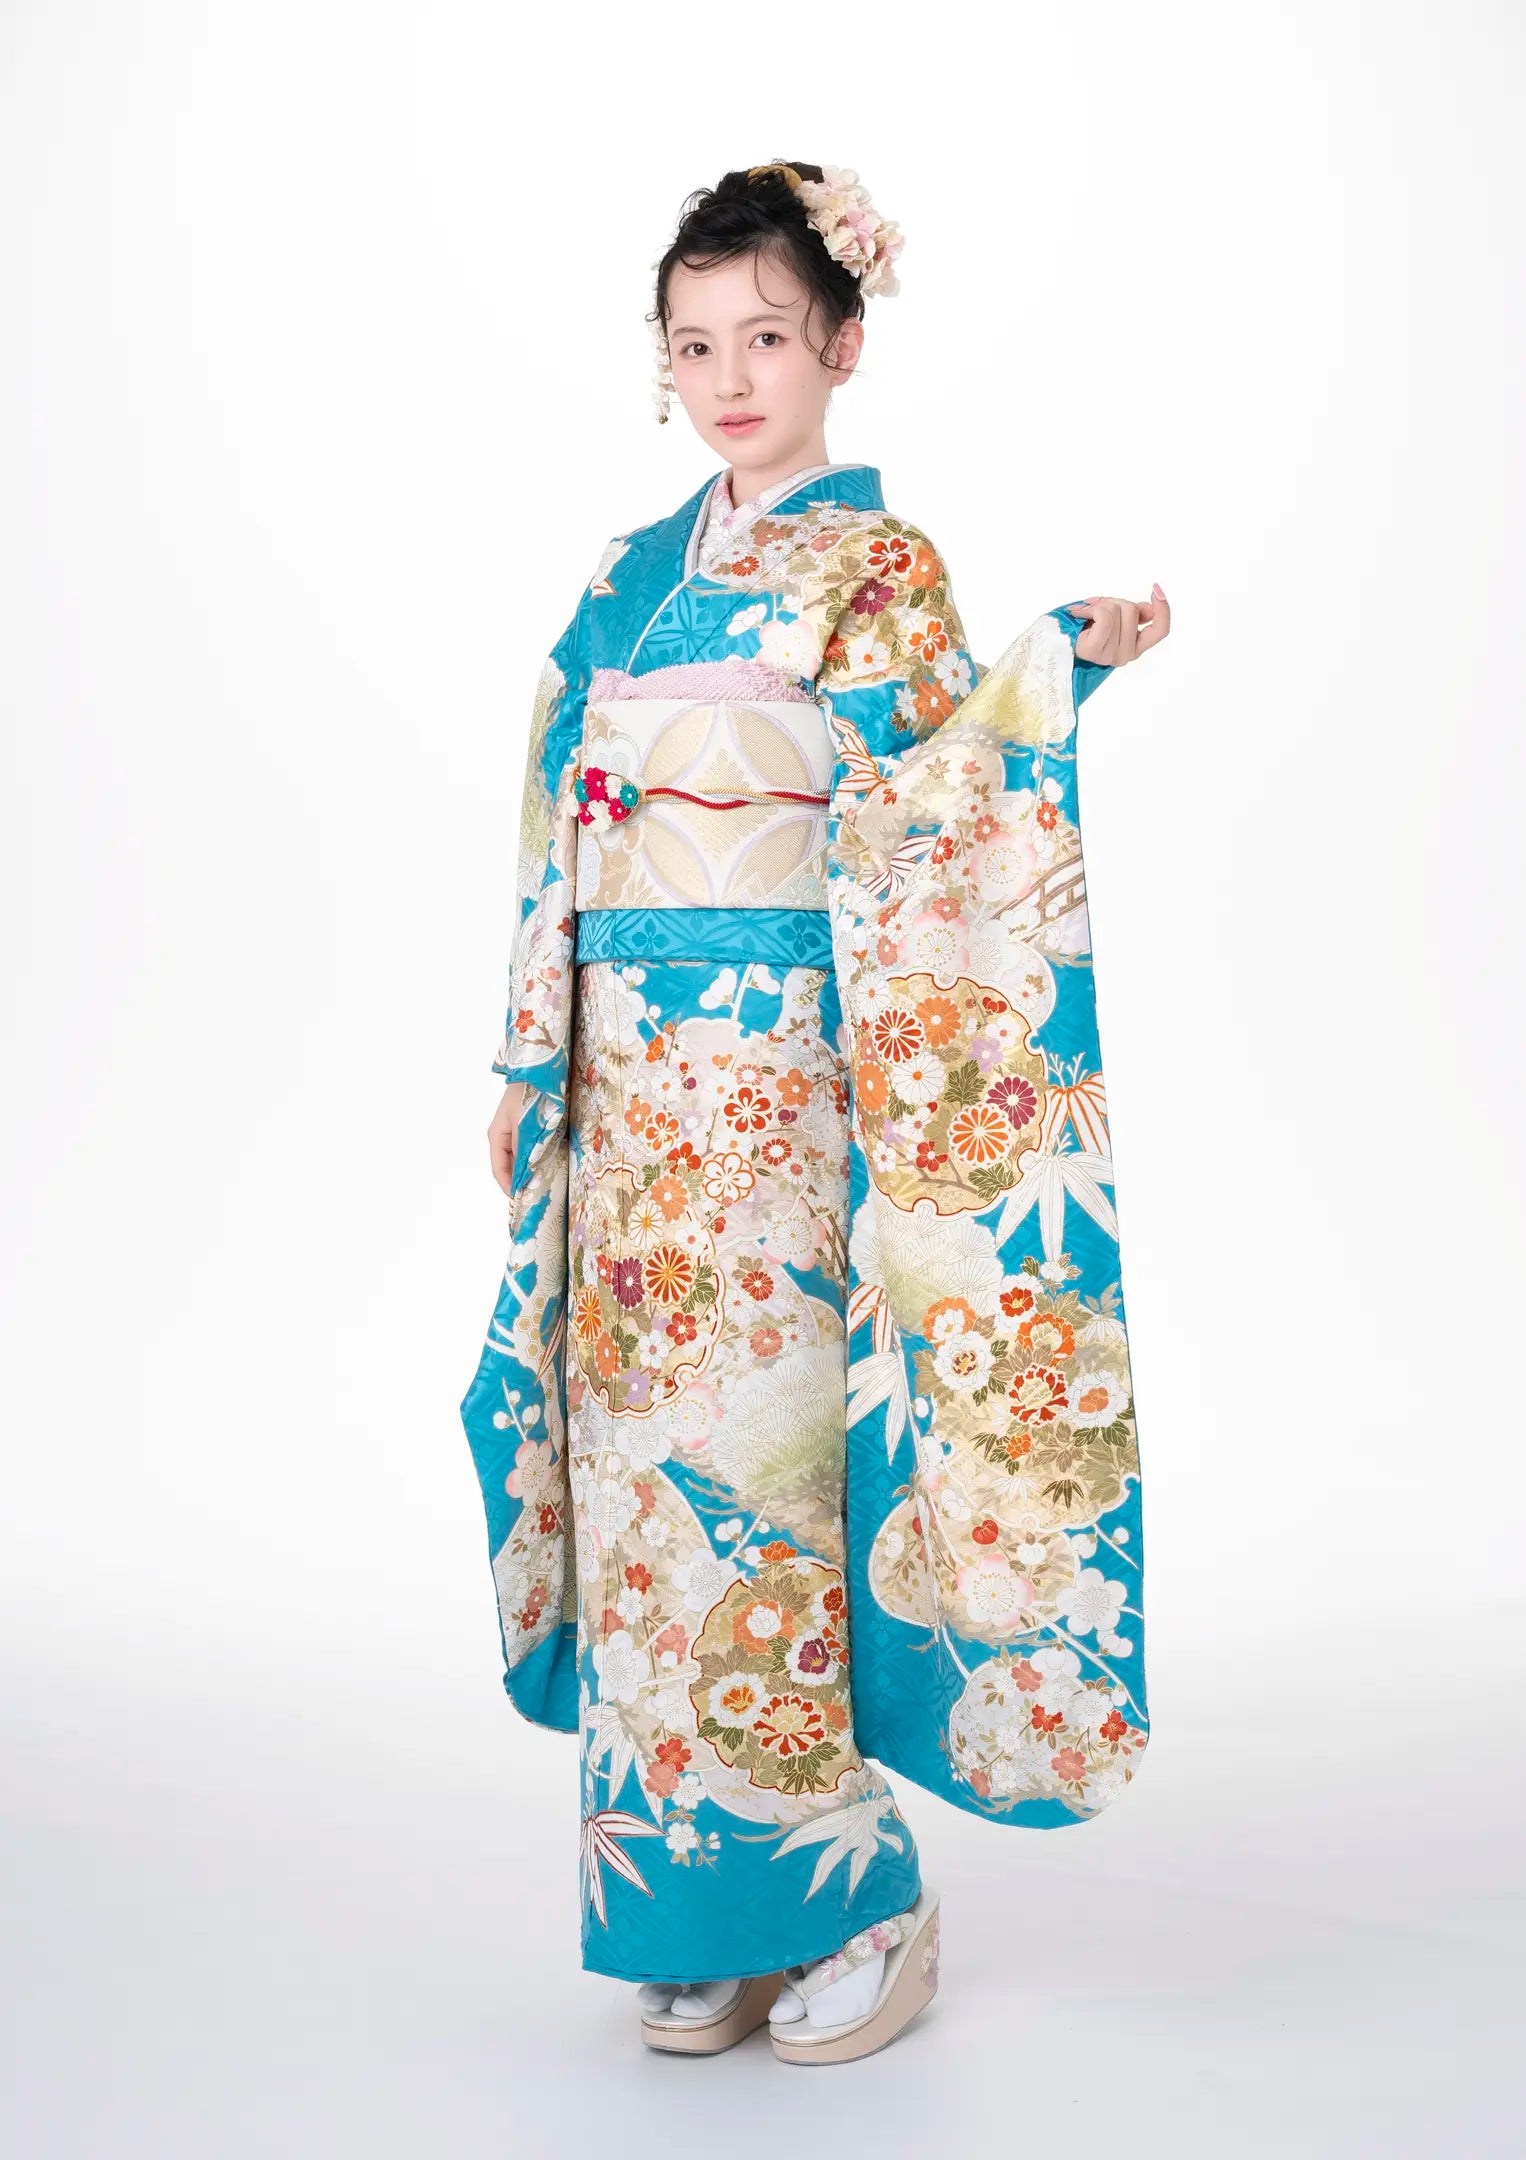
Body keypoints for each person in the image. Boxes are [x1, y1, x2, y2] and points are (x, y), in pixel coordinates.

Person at [460, 160, 1169, 2064]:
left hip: (783, 1087)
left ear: (840, 344)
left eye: (765, 338)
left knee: (770, 1481)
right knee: (643, 1486)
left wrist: (1055, 667)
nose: (728, 379)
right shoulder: (623, 577)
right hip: (632, 1095)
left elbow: (932, 797)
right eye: (693, 346)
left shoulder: (880, 567)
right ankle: (694, 1909)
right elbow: (554, 827)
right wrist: (539, 1057)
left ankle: (858, 1895)